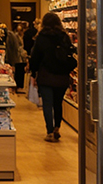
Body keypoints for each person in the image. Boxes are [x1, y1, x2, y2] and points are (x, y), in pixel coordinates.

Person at [28, 12, 77, 142]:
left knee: (47, 104)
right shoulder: (64, 36)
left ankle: (49, 131)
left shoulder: (41, 37)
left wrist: (33, 74)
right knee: (58, 103)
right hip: (62, 76)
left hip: (46, 75)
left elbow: (35, 58)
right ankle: (57, 127)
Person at [5, 22, 28, 93]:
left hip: (18, 56)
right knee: (19, 70)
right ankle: (18, 87)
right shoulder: (15, 36)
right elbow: (18, 48)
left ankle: (18, 86)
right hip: (18, 57)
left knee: (18, 71)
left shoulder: (14, 36)